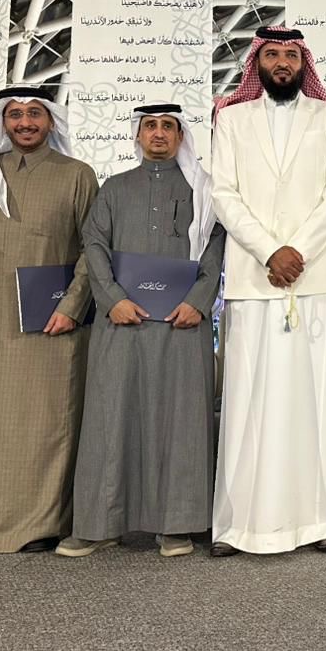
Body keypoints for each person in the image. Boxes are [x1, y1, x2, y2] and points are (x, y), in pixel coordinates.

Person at [209, 25, 326, 556]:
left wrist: (298, 250)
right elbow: (223, 194)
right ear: (257, 63)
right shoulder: (231, 119)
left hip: (317, 280)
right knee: (249, 403)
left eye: (291, 55)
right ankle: (240, 524)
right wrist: (271, 251)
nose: (281, 63)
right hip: (255, 280)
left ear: (303, 63)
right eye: (271, 54)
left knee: (322, 402)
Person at [56, 103, 225, 559]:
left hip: (182, 326)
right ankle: (99, 525)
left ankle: (176, 525)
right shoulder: (114, 188)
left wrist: (198, 302)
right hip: (121, 325)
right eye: (150, 126)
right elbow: (94, 246)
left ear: (181, 136)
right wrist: (113, 300)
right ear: (137, 134)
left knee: (180, 422)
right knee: (110, 419)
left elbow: (215, 251)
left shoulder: (203, 191)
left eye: (168, 126)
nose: (158, 134)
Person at [0, 85, 98, 554]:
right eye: (15, 115)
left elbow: (94, 249)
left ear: (51, 120)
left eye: (34, 113)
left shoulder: (77, 175)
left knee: (50, 424)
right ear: (3, 122)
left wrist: (71, 306)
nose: (24, 123)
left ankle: (46, 523)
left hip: (54, 326)